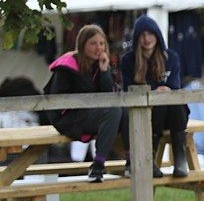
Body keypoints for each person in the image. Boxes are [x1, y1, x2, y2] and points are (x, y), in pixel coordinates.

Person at [43, 24, 124, 182]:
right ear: (82, 45)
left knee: (125, 111)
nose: (98, 48)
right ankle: (98, 165)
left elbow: (109, 95)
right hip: (68, 119)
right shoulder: (67, 66)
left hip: (90, 115)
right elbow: (56, 101)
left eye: (101, 43)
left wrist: (104, 70)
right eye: (93, 43)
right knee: (114, 111)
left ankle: (130, 162)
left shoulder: (99, 65)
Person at [119, 15, 190, 178]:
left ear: (157, 35)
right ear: (137, 38)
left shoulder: (171, 57)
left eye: (150, 33)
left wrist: (163, 92)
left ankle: (180, 159)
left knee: (175, 102)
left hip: (172, 114)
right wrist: (154, 93)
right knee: (160, 103)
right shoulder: (128, 61)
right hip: (144, 114)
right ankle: (148, 159)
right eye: (142, 35)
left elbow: (175, 86)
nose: (146, 39)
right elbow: (128, 91)